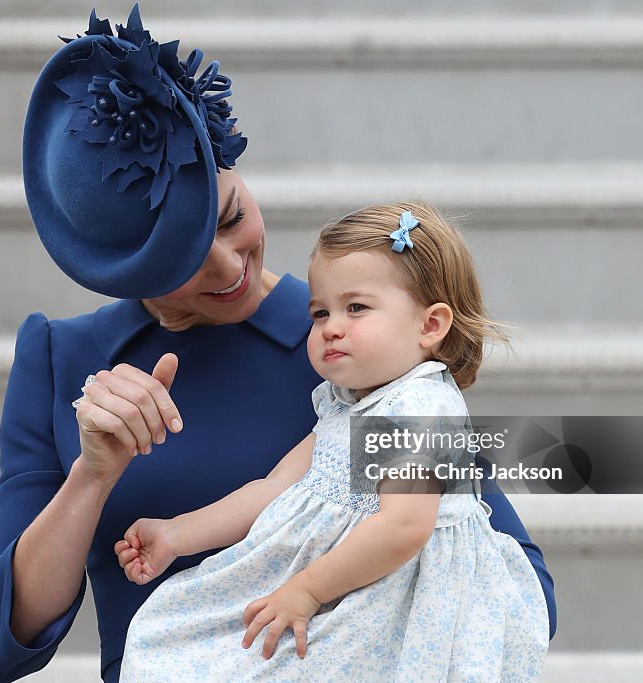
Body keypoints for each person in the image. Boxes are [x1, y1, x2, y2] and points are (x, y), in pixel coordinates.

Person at [0, 7, 556, 683]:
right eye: (184, 261)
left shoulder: (368, 354)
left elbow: (505, 574)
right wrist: (93, 476)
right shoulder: (60, 360)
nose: (228, 267)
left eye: (233, 216)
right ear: (120, 268)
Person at [116, 202, 549, 681]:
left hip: (392, 602)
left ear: (430, 325)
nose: (331, 327)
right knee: (175, 643)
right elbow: (275, 486)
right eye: (320, 312)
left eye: (356, 308)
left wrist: (305, 591)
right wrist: (178, 534)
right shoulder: (343, 403)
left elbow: (403, 527)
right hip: (328, 587)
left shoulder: (420, 406)